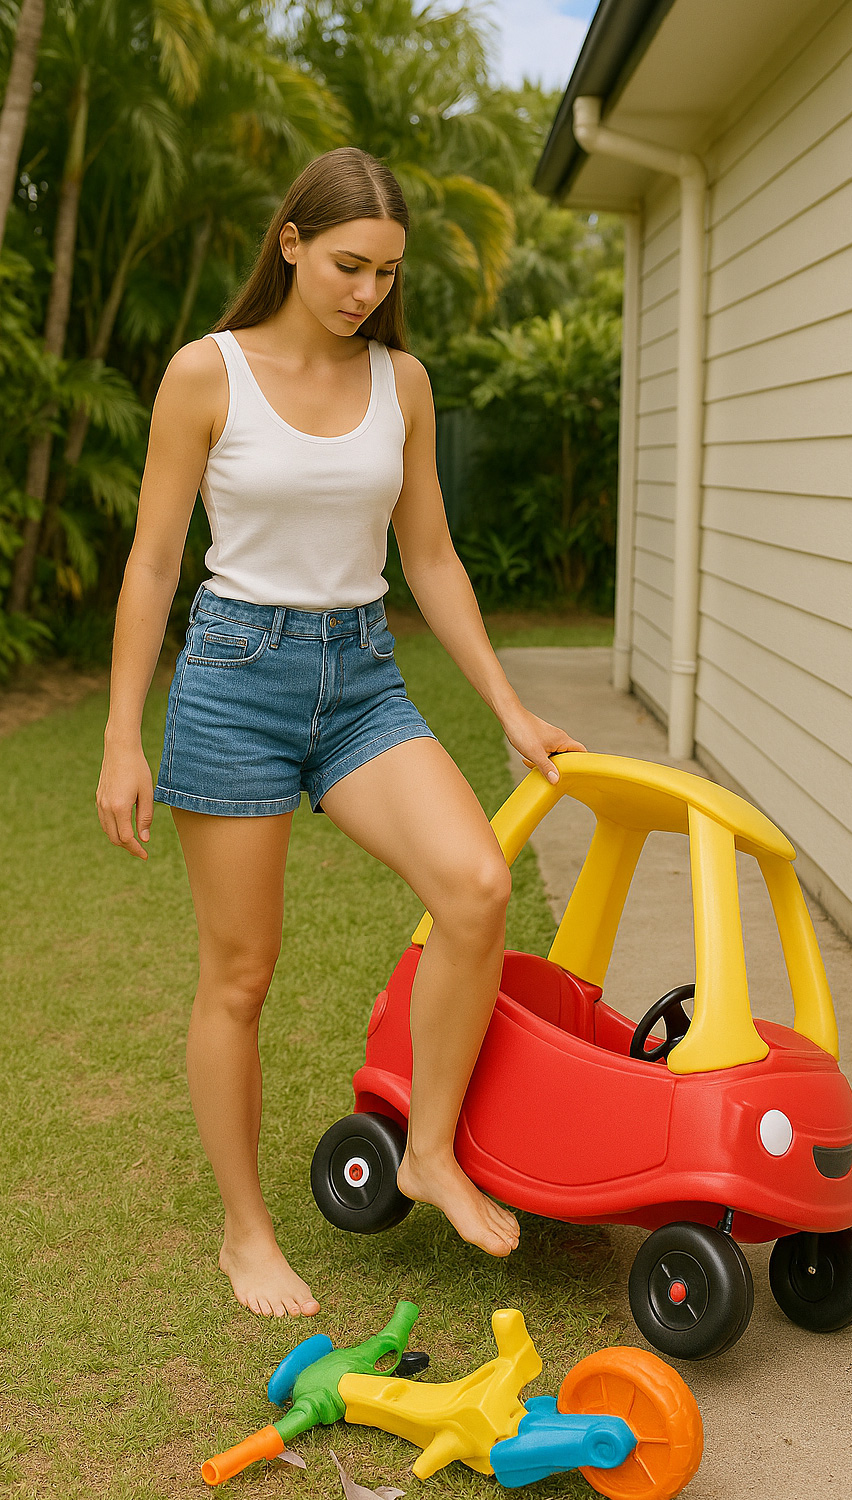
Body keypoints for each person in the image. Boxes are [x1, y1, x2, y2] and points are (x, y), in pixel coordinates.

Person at [95, 147, 587, 1319]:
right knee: (240, 974)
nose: (365, 289)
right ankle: (245, 1232)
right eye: (348, 264)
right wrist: (124, 735)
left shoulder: (401, 384)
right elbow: (155, 560)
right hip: (234, 678)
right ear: (292, 244)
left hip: (361, 677)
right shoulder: (204, 376)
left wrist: (508, 709)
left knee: (474, 886)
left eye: (385, 272)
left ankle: (426, 1151)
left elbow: (429, 558)